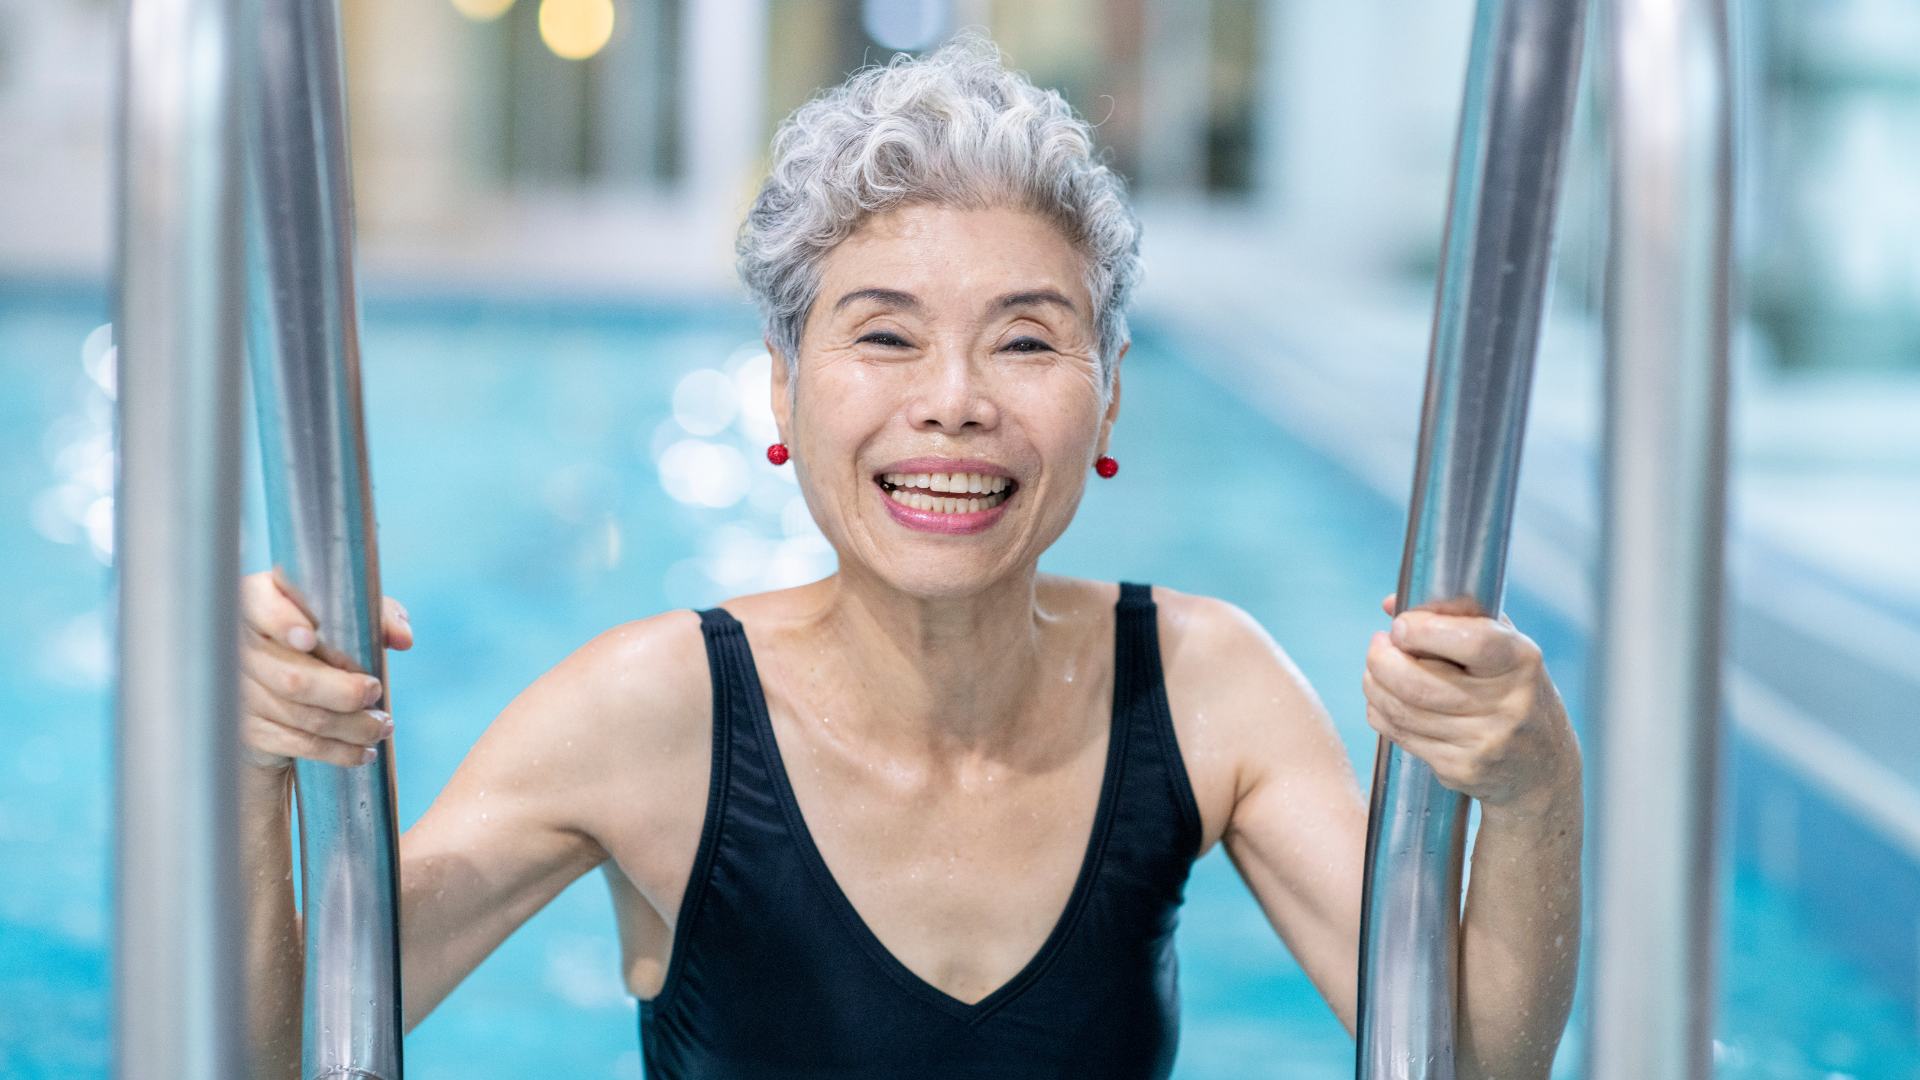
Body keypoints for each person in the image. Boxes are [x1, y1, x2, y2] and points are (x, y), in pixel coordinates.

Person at [238, 36, 1582, 1080]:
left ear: (1108, 391)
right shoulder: (649, 717)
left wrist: (1532, 784)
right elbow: (279, 1049)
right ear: (782, 389)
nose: (954, 400)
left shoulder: (1202, 683)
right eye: (883, 336)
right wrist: (245, 762)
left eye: (1026, 337)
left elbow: (1468, 1059)